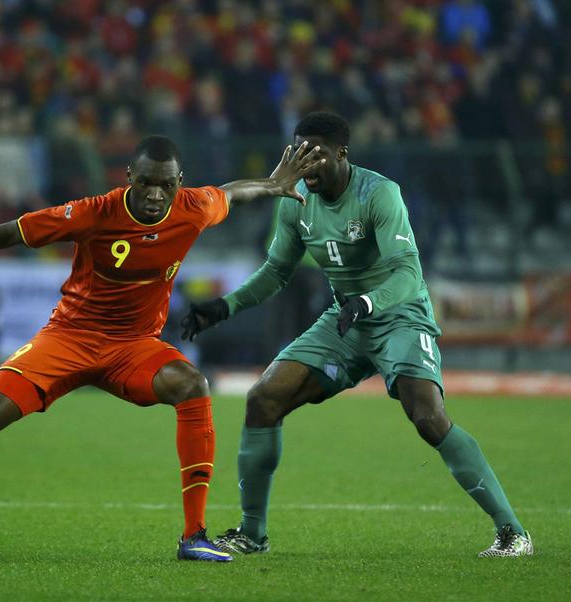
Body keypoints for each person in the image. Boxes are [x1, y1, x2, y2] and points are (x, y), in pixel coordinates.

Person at [0, 135, 318, 561]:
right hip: (68, 338)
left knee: (192, 386)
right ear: (128, 176)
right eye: (144, 182)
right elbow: (7, 232)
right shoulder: (93, 213)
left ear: (179, 181)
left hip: (133, 347)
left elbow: (232, 192)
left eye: (165, 184)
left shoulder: (194, 206)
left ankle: (194, 536)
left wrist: (273, 185)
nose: (154, 194)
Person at [181, 112, 533, 558]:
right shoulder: (293, 200)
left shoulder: (379, 193)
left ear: (342, 154)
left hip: (400, 315)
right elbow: (276, 271)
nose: (305, 164)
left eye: (316, 154)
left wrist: (366, 302)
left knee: (427, 417)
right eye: (298, 153)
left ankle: (512, 532)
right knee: (264, 398)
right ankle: (252, 533)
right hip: (345, 320)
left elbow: (408, 273)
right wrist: (223, 307)